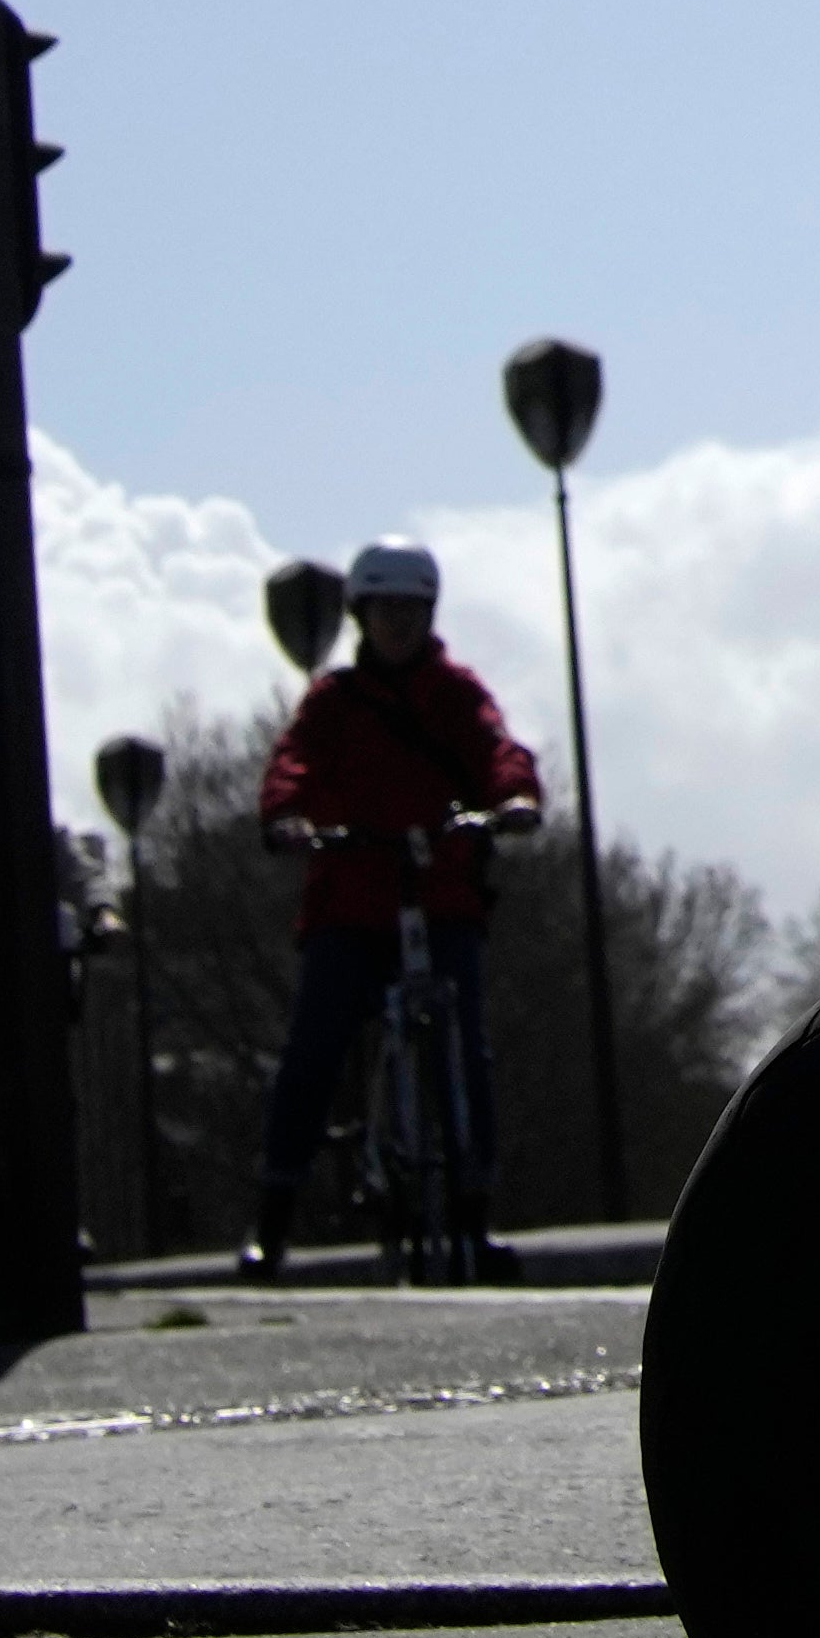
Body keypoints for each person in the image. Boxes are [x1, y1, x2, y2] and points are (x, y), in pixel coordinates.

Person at [250, 535, 546, 1275]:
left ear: (430, 613)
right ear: (360, 614)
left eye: (410, 610)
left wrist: (514, 797)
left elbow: (498, 748)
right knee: (314, 1047)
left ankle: (475, 1213)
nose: (397, 624)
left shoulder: (456, 692)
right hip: (349, 903)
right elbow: (293, 761)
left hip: (440, 894)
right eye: (384, 610)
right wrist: (286, 814)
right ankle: (272, 1220)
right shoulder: (333, 701)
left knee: (465, 1046)